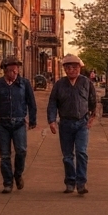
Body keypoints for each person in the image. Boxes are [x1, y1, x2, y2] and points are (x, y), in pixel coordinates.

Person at [46, 54, 98, 194]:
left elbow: (93, 101)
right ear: (65, 69)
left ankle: (81, 183)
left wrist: (92, 117)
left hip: (82, 123)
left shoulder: (86, 83)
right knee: (67, 155)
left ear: (79, 68)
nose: (71, 70)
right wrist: (52, 121)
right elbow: (52, 103)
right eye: (68, 68)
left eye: (74, 68)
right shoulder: (59, 84)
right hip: (65, 124)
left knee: (81, 152)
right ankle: (70, 181)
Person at [0, 57, 38, 193]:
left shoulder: (24, 84)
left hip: (19, 122)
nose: (13, 73)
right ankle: (7, 182)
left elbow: (31, 103)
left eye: (16, 71)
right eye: (10, 71)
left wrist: (32, 120)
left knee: (21, 150)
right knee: (5, 155)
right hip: (2, 123)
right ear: (4, 71)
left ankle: (18, 174)